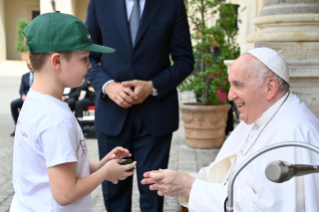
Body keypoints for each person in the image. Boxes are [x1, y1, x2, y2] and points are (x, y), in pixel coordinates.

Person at [142, 47, 319, 211]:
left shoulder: (293, 130)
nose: (229, 95)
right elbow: (224, 176)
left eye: (238, 85)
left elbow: (267, 207)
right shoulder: (257, 117)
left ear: (270, 87)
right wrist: (184, 181)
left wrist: (191, 187)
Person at [10, 12, 136, 212]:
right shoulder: (56, 120)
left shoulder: (35, 102)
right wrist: (104, 174)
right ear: (57, 61)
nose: (89, 65)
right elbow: (65, 193)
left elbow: (53, 167)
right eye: (84, 58)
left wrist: (102, 165)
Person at [85, 0, 194, 211]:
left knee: (153, 192)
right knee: (114, 192)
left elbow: (185, 60)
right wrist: (108, 86)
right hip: (112, 113)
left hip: (156, 113)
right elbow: (88, 55)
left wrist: (153, 86)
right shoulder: (99, 3)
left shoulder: (172, 4)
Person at [10, 58, 33, 136]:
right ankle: (18, 126)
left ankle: (28, 130)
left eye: (30, 64)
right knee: (13, 104)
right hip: (25, 98)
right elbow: (21, 90)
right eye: (28, 65)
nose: (29, 66)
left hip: (35, 99)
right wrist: (23, 96)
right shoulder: (25, 76)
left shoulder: (40, 75)